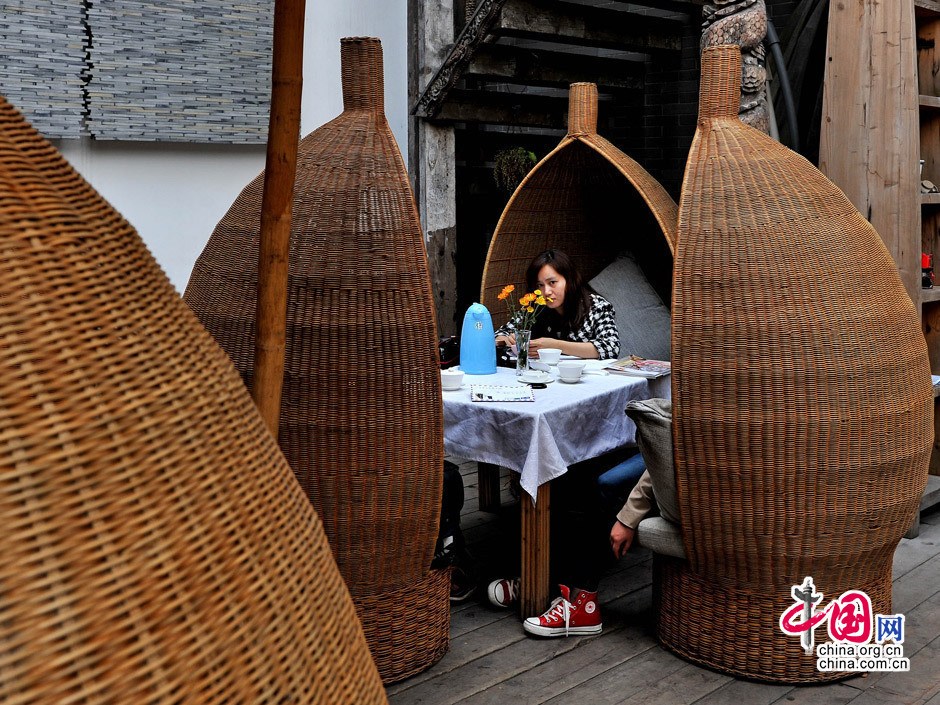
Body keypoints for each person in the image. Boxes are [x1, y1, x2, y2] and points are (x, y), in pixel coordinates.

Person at [487, 451, 649, 637]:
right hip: (646, 447)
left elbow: (668, 450)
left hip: (668, 462)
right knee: (568, 471)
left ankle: (583, 603)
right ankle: (549, 580)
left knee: (607, 485)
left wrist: (629, 517)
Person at [494, 249, 620, 360]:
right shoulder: (535, 306)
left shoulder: (597, 306)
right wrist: (508, 340)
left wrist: (555, 345)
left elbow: (611, 347)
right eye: (540, 285)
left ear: (570, 280)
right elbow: (501, 334)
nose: (546, 292)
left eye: (552, 282)